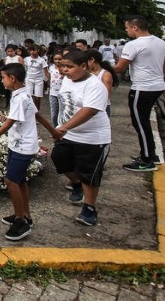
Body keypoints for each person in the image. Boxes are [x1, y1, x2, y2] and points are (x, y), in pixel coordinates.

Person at [0, 63, 59, 241]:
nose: (2, 81)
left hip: (23, 147)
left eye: (3, 77)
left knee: (11, 181)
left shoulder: (20, 98)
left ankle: (21, 223)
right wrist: (53, 132)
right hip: (17, 144)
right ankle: (24, 214)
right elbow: (36, 115)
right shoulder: (22, 93)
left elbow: (8, 125)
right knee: (19, 180)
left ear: (12, 78)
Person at [52, 49, 111, 226]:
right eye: (62, 66)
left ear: (84, 66)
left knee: (89, 174)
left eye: (69, 67)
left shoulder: (95, 85)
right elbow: (66, 104)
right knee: (59, 159)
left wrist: (65, 126)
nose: (65, 70)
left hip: (92, 138)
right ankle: (75, 183)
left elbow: (89, 110)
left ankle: (89, 208)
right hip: (68, 134)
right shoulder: (68, 81)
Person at [113, 14, 165, 171]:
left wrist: (98, 67)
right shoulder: (160, 42)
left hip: (142, 88)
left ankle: (146, 160)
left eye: (126, 28)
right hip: (157, 86)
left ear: (135, 27)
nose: (126, 31)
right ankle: (150, 154)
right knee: (143, 121)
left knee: (140, 123)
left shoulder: (133, 45)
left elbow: (119, 68)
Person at [86, 49, 118, 117]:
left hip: (101, 107)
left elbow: (106, 95)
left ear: (92, 60)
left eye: (85, 62)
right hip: (88, 106)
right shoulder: (87, 73)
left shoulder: (105, 75)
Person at [24, 44, 50, 110]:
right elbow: (24, 69)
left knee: (37, 97)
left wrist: (49, 81)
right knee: (29, 96)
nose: (32, 52)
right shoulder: (26, 59)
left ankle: (37, 112)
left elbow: (46, 71)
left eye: (34, 50)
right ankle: (30, 110)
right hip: (29, 79)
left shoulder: (41, 60)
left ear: (38, 50)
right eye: (31, 50)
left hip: (39, 80)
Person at [48, 51, 65, 128]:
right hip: (53, 93)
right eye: (55, 59)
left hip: (63, 94)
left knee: (63, 112)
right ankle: (55, 128)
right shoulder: (51, 67)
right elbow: (48, 78)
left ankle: (63, 128)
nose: (57, 61)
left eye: (60, 59)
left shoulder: (66, 68)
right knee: (54, 113)